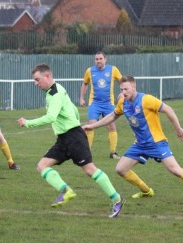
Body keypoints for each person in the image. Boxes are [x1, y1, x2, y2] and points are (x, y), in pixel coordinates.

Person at [82, 76, 183, 203]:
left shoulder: (147, 100)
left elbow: (168, 109)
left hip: (157, 143)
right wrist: (92, 126)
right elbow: (112, 116)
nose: (123, 92)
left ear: (134, 87)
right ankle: (146, 191)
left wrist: (178, 129)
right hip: (140, 144)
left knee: (175, 169)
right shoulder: (123, 103)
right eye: (121, 89)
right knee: (120, 169)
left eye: (126, 89)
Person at [17, 64, 125, 218]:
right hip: (63, 139)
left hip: (74, 137)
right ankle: (66, 190)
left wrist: (28, 123)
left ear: (47, 76)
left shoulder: (55, 93)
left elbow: (51, 117)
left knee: (89, 170)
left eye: (37, 79)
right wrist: (74, 121)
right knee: (42, 166)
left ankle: (117, 199)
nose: (35, 83)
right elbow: (73, 109)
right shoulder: (57, 89)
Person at [80, 51, 122, 159]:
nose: (98, 61)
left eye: (100, 59)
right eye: (96, 59)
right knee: (90, 126)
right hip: (94, 104)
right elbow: (85, 84)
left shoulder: (113, 70)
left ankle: (113, 153)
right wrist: (81, 98)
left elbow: (122, 81)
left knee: (112, 126)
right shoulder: (90, 71)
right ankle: (86, 153)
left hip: (108, 104)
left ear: (105, 59)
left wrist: (122, 92)